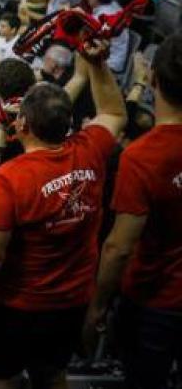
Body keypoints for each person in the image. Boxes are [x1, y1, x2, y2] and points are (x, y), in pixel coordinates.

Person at [0, 49, 126, 389]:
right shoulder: (89, 149)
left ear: (22, 125)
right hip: (71, 302)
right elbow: (114, 112)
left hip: (15, 305)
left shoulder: (10, 179)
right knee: (52, 375)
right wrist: (97, 62)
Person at [84, 34, 182, 389]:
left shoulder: (142, 157)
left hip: (155, 302)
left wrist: (97, 307)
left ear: (152, 78)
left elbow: (118, 248)